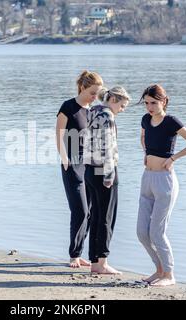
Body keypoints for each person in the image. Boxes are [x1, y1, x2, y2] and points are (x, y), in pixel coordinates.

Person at [137, 84, 186, 286]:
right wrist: (146, 154)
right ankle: (159, 270)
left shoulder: (171, 121)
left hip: (165, 181)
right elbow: (143, 138)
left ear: (164, 101)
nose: (149, 107)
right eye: (147, 103)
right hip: (147, 178)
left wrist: (173, 158)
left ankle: (169, 275)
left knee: (157, 232)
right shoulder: (145, 119)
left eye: (154, 102)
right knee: (141, 232)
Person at [56, 70, 103, 268]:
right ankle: (73, 255)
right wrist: (64, 157)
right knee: (80, 210)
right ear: (83, 87)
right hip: (72, 164)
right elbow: (58, 134)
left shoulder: (92, 110)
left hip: (90, 164)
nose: (95, 97)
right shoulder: (68, 106)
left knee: (90, 211)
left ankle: (79, 253)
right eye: (93, 92)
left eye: (98, 93)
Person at [83, 86, 130, 274]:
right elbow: (107, 148)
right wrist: (110, 175)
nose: (122, 109)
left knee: (95, 216)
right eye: (123, 105)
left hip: (89, 169)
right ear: (113, 100)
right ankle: (102, 262)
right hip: (104, 171)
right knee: (107, 217)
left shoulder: (92, 111)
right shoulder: (107, 116)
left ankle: (94, 261)